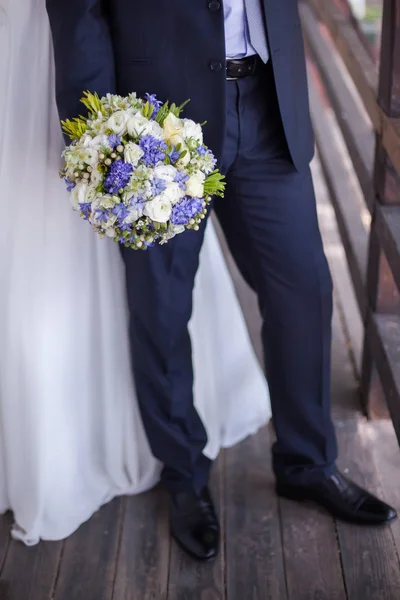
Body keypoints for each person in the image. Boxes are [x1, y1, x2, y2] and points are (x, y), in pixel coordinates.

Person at [46, 0, 397, 562]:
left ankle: (308, 464)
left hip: (267, 99)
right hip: (153, 118)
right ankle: (183, 475)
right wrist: (100, 136)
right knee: (160, 309)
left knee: (303, 290)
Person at [0, 0, 270, 545]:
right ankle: (180, 473)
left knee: (172, 293)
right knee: (149, 298)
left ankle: (294, 458)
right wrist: (99, 133)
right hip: (67, 71)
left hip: (161, 87)